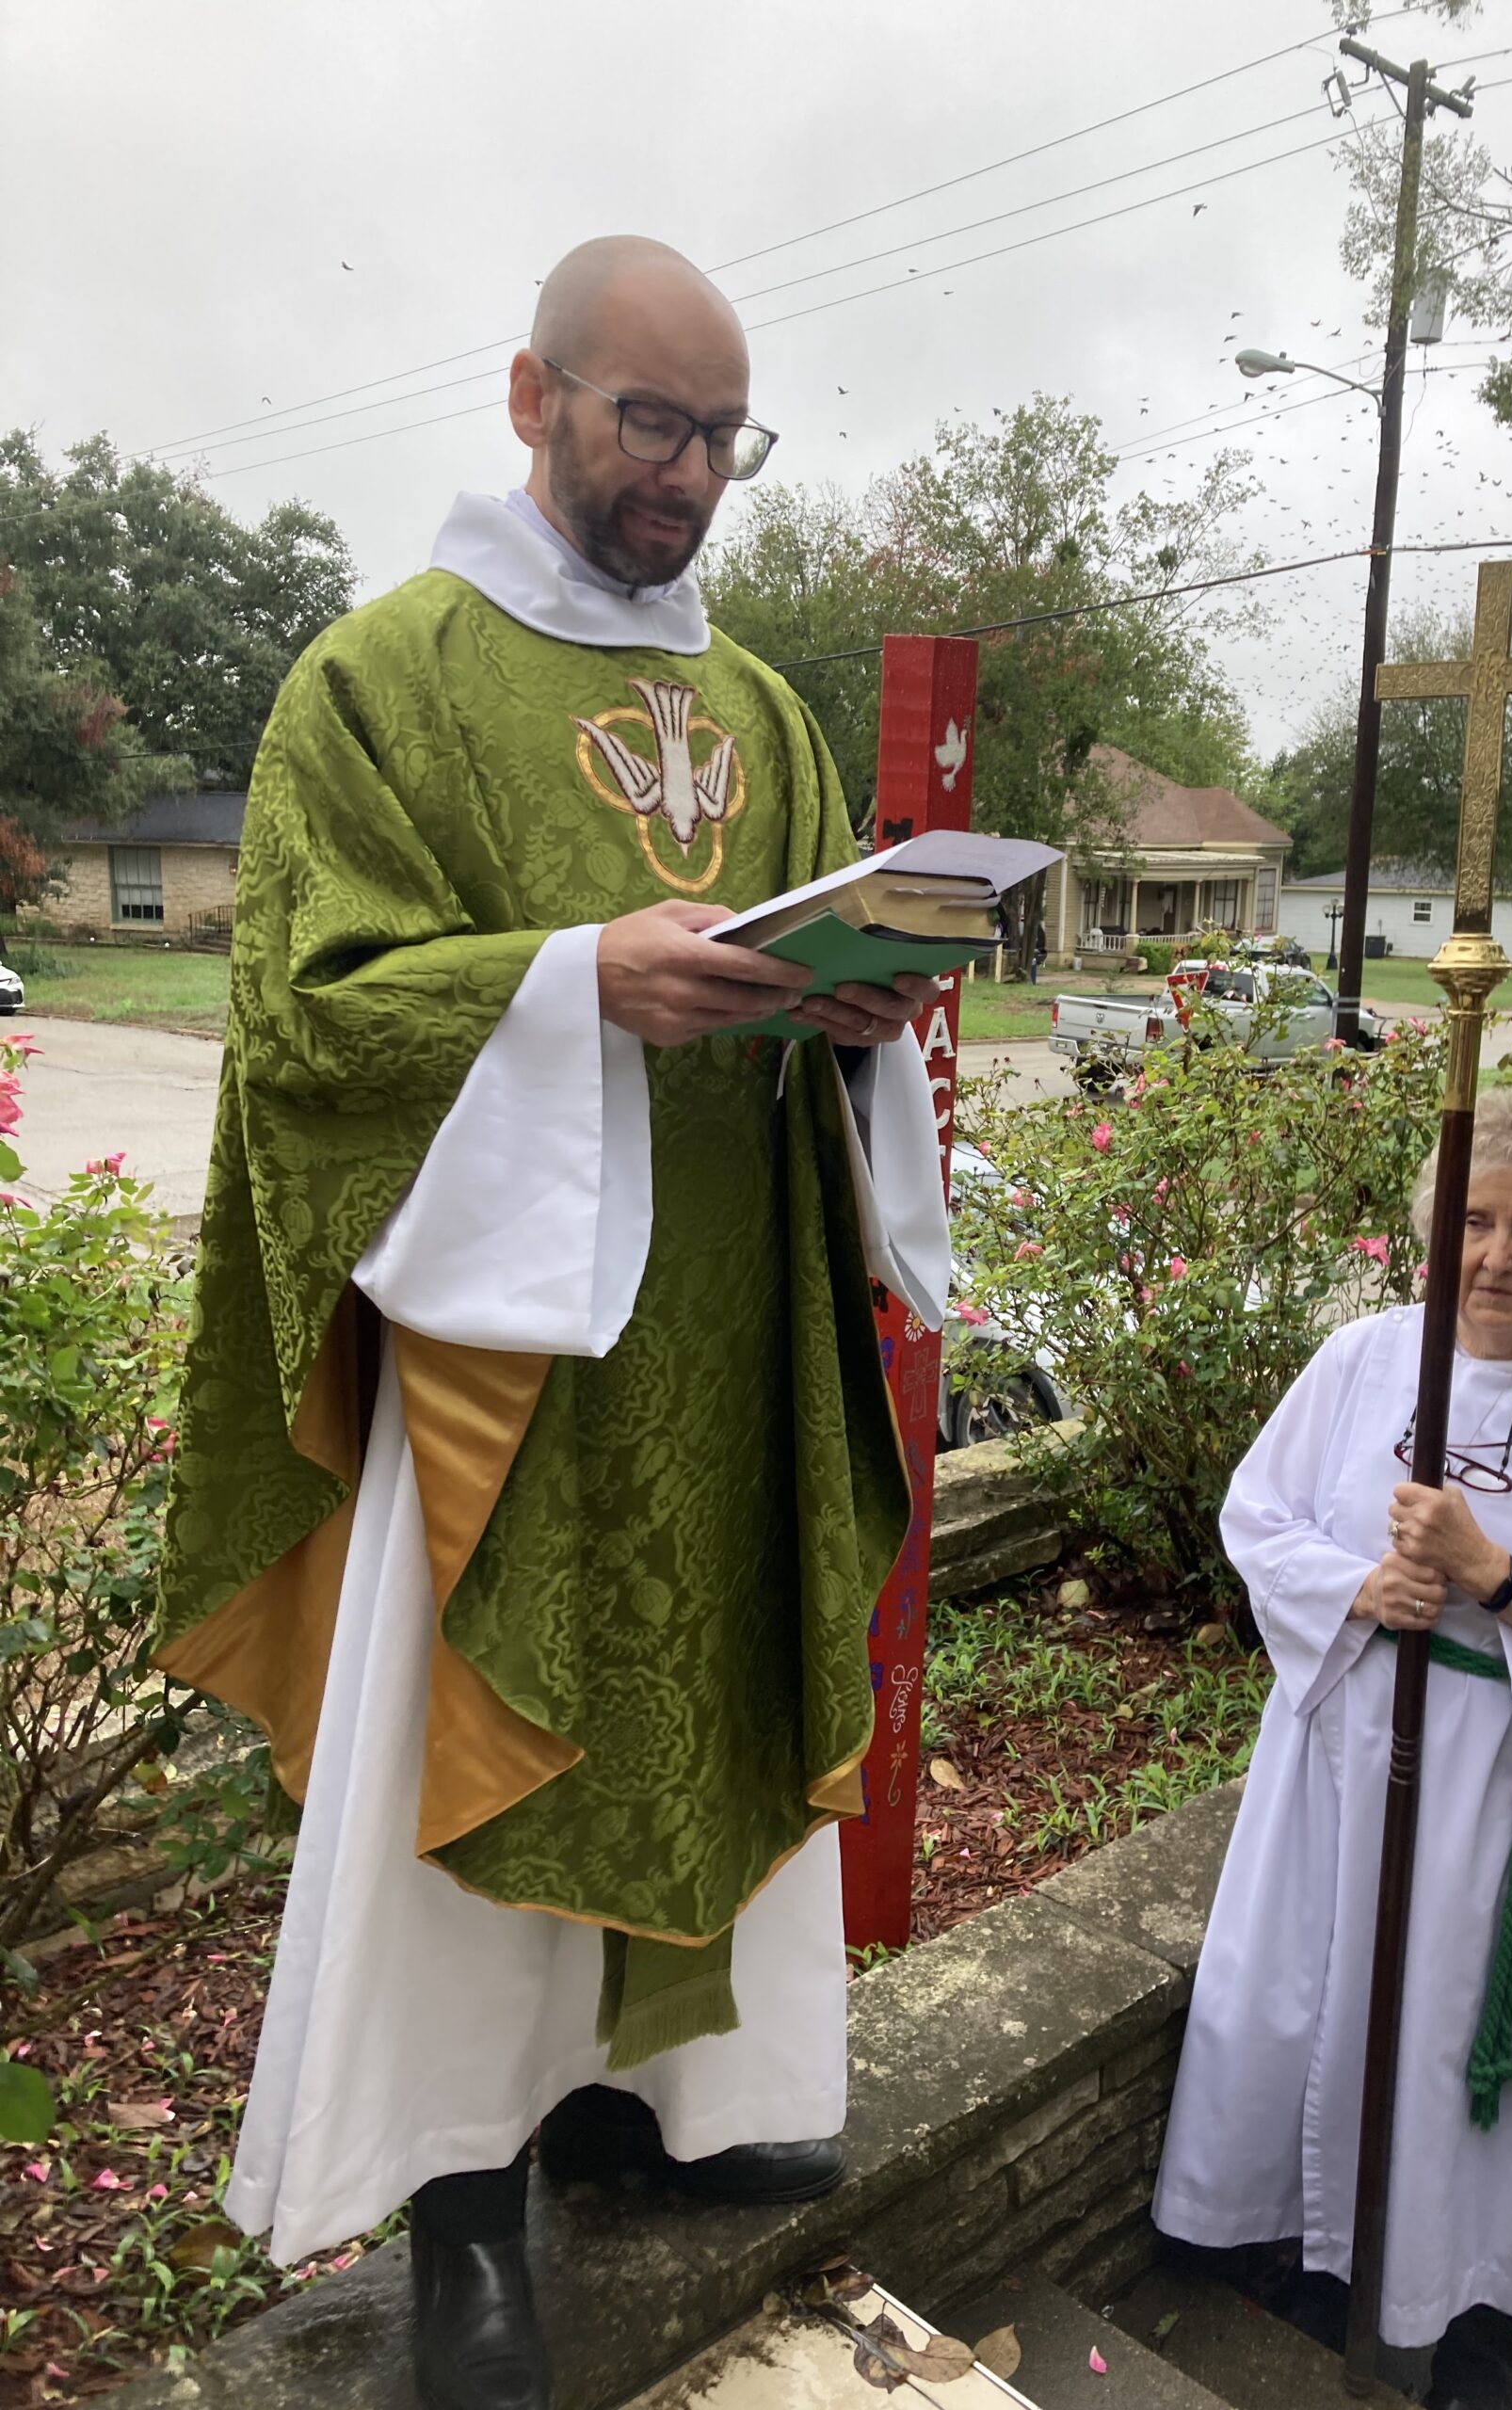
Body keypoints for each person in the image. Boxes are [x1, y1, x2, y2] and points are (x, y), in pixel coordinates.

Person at [152, 236, 952, 2410]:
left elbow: (798, 975)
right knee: (493, 1739)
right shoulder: (380, 681)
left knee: (696, 1711)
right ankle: (464, 2203)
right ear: (533, 396)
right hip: (511, 1356)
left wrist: (863, 1009)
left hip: (722, 1333)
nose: (686, 477)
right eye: (647, 423)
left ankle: (658, 2105)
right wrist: (561, 977)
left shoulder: (764, 708)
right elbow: (304, 1014)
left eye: (722, 438)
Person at [1153, 1088, 1512, 2410]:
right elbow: (1259, 1512)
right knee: (1321, 2000)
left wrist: (1503, 1579)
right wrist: (1363, 1590)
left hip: (1511, 1786)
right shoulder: (1363, 1359)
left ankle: (1478, 2322)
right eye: (1473, 1220)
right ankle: (1316, 2257)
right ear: (1433, 1232)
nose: (1498, 1256)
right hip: (1350, 1750)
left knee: (1478, 2047)